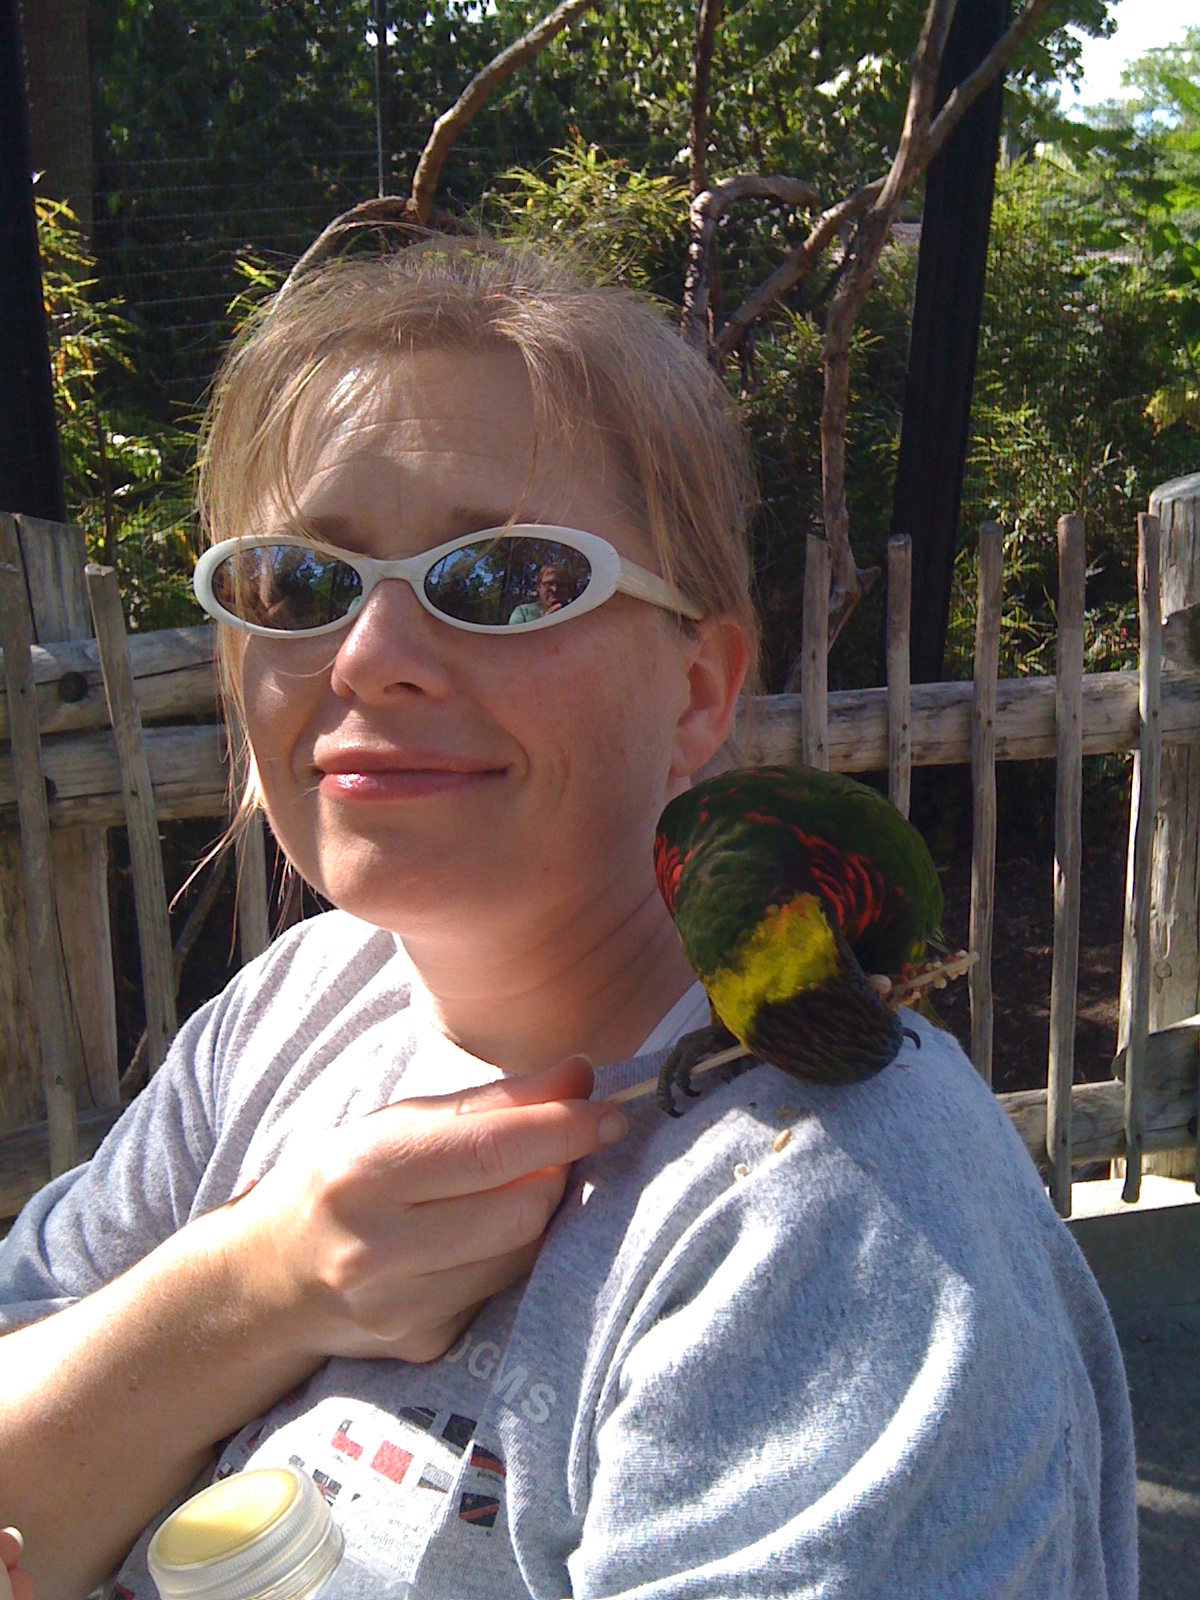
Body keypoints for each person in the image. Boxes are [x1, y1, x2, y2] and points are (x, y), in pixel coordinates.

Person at [0, 234, 1137, 1600]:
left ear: (702, 691)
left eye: (511, 577)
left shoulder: (831, 1216)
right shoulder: (300, 1002)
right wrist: (259, 1280)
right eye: (297, 582)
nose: (367, 657)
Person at [508, 562, 576, 624]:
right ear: (539, 586)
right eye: (549, 584)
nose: (555, 589)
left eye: (560, 585)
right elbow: (513, 637)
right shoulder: (523, 612)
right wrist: (544, 624)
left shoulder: (576, 613)